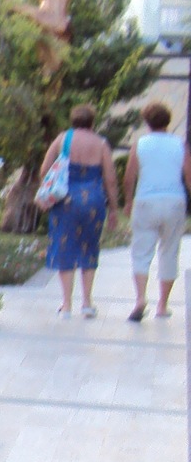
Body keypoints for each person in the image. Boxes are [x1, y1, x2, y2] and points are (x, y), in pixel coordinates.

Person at [40, 104, 118, 317]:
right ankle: (87, 303)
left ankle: (66, 305)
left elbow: (44, 169)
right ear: (92, 122)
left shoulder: (62, 139)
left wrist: (48, 190)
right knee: (89, 247)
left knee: (64, 246)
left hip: (65, 199)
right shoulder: (101, 143)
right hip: (93, 199)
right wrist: (113, 209)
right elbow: (110, 179)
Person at [122, 100, 191, 322]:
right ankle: (162, 305)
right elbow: (189, 176)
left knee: (141, 251)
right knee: (169, 251)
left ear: (147, 121)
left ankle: (141, 299)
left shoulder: (140, 144)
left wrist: (128, 201)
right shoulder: (180, 145)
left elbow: (129, 176)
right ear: (167, 121)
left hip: (146, 201)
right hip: (174, 201)